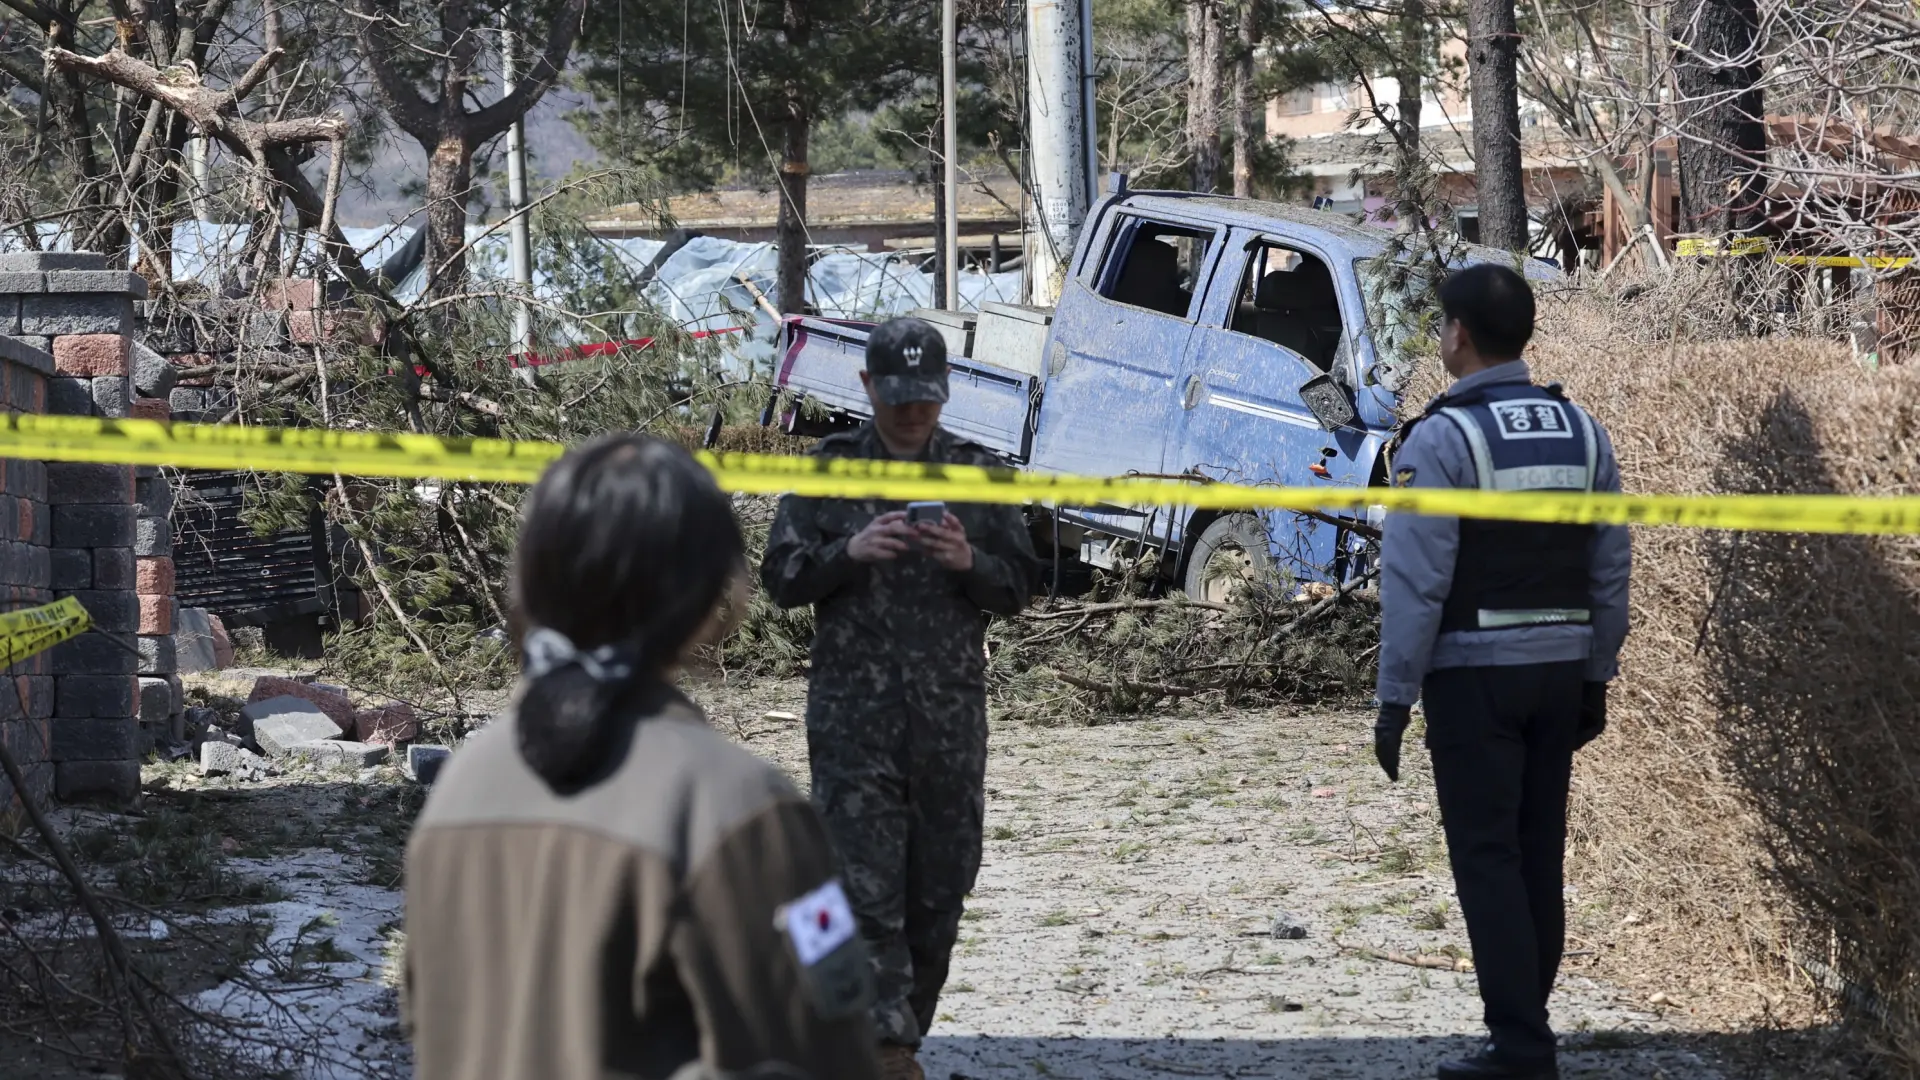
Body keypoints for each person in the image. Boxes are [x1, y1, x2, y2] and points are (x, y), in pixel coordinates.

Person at [403, 434, 881, 1080]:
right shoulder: (740, 808)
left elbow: (429, 1022)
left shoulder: (459, 788)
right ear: (712, 595)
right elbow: (831, 1050)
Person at [760, 317, 1042, 1080]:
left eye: (925, 398)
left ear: (945, 391)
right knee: (862, 883)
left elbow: (1020, 584)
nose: (912, 412)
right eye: (897, 398)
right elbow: (780, 577)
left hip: (948, 722)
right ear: (867, 389)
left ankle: (894, 1036)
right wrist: (845, 555)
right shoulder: (833, 469)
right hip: (853, 718)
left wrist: (968, 558)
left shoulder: (977, 472)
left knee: (940, 887)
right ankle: (877, 1046)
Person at [1372, 264, 1631, 1080]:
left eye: (1442, 324)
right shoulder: (1584, 431)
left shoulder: (1442, 439)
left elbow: (1416, 581)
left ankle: (1521, 1048)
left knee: (1485, 858)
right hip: (1559, 673)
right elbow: (1610, 565)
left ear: (1458, 335)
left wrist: (1393, 696)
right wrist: (1597, 674)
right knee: (1535, 854)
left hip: (1475, 678)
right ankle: (1524, 1027)